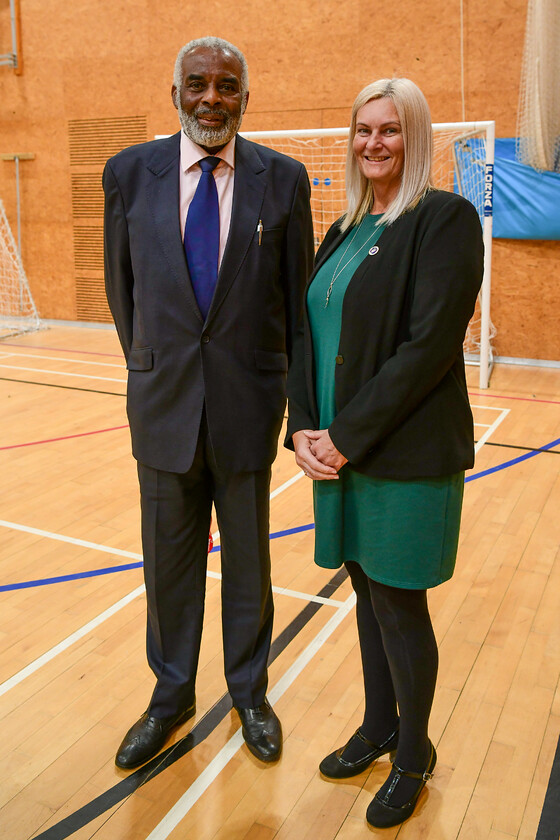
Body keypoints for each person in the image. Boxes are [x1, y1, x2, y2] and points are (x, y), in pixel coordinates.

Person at [103, 36, 314, 770]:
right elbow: (121, 292)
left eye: (227, 86)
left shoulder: (283, 180)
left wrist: (302, 408)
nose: (211, 99)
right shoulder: (129, 173)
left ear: (245, 99)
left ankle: (250, 692)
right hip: (162, 407)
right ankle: (170, 697)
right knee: (167, 566)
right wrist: (155, 366)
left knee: (249, 563)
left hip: (247, 408)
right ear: (176, 95)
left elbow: (298, 309)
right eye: (198, 84)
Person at [286, 78, 483, 828]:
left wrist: (343, 436)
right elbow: (307, 332)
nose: (374, 142)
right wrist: (303, 426)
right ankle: (377, 727)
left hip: (400, 452)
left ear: (417, 137)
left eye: (391, 131)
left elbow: (429, 346)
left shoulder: (444, 220)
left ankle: (414, 753)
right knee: (365, 595)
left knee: (400, 605)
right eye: (364, 129)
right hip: (336, 448)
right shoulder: (343, 228)